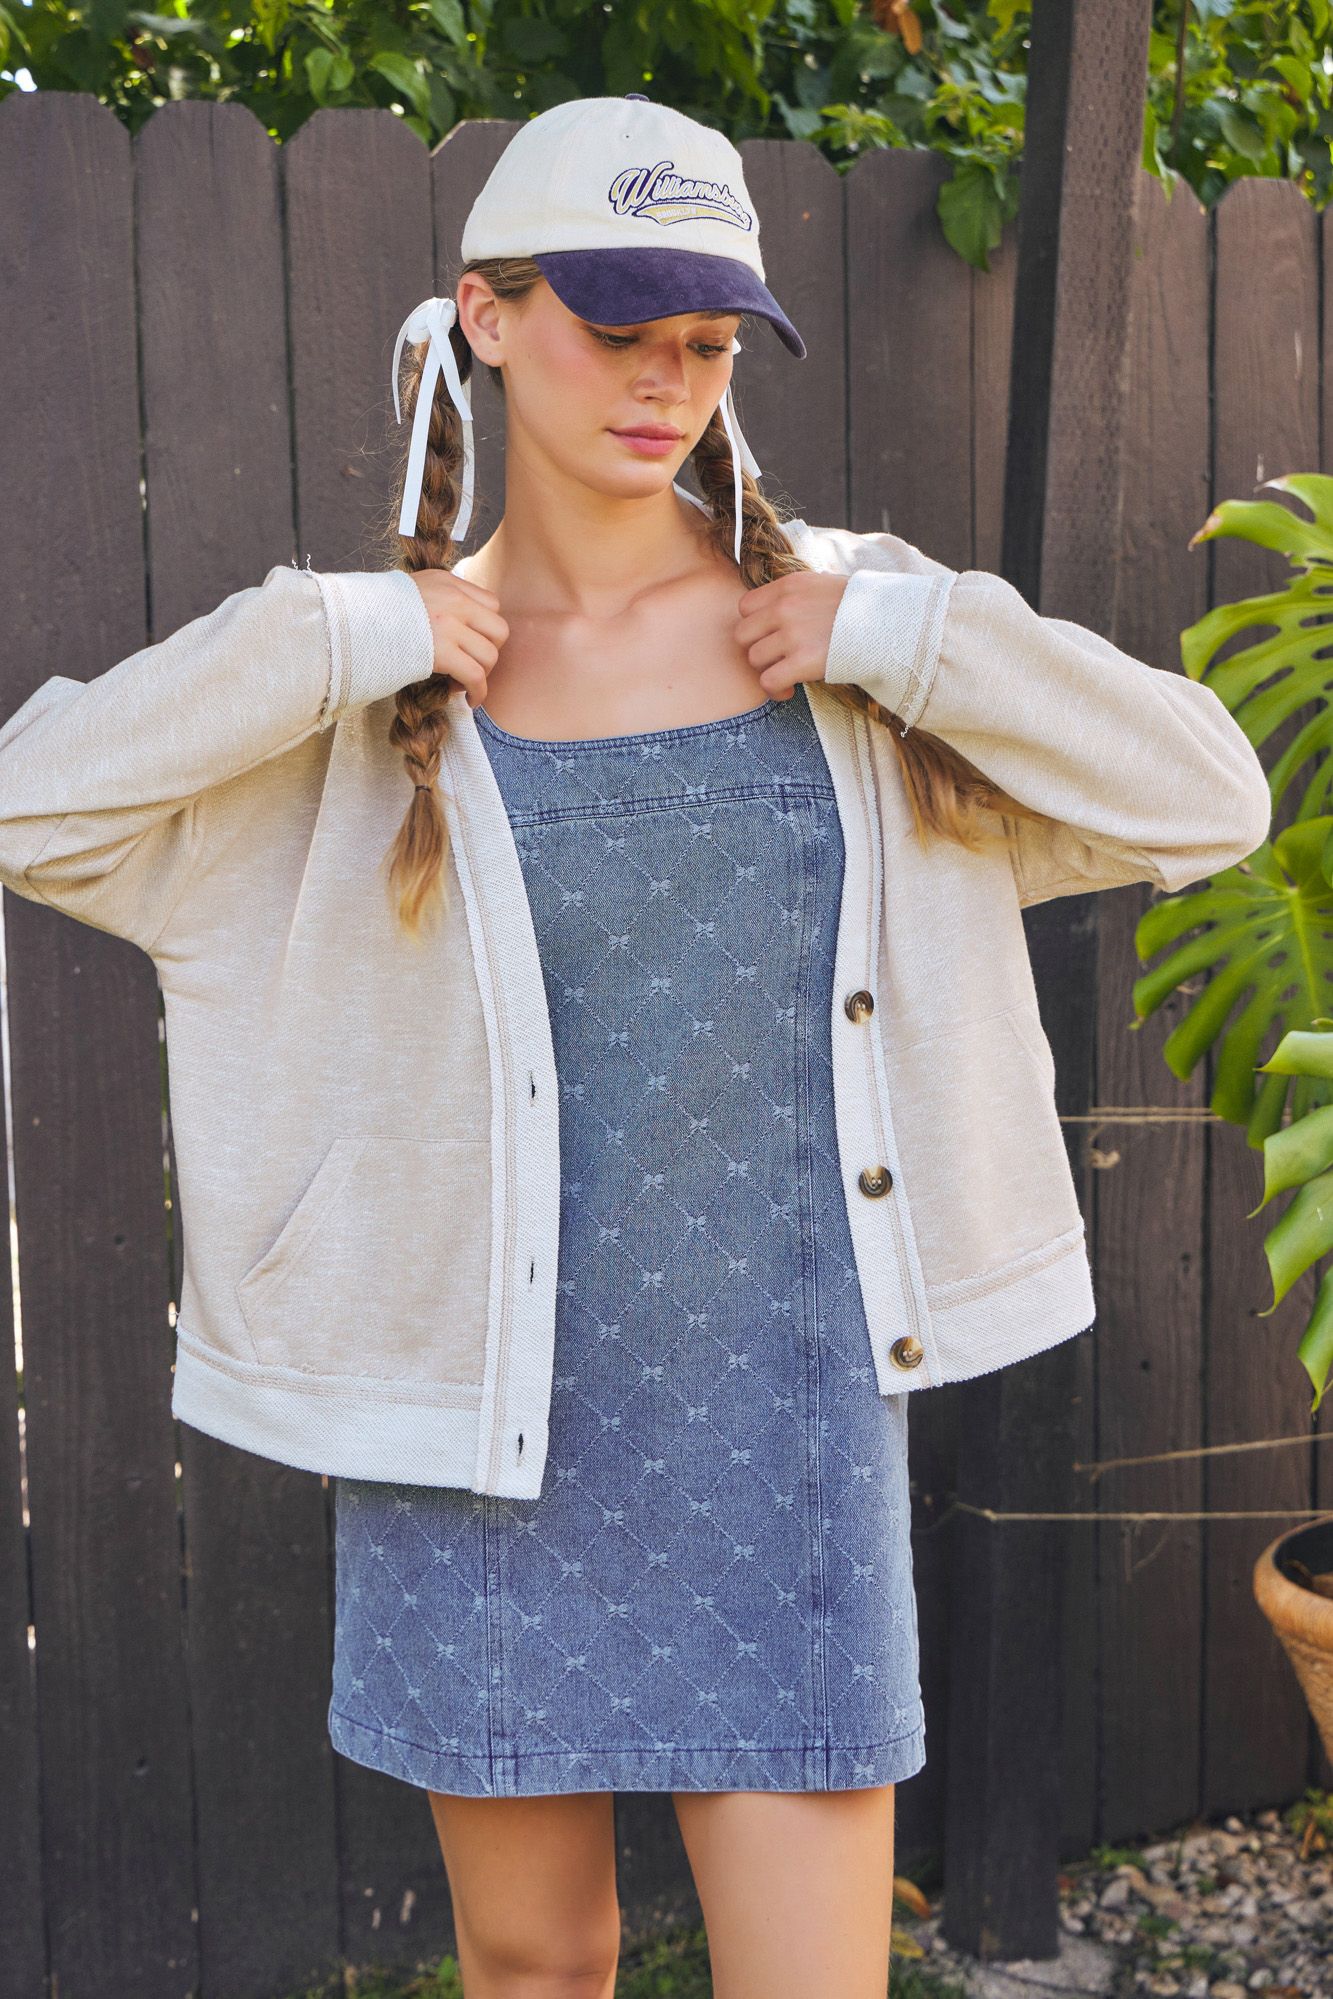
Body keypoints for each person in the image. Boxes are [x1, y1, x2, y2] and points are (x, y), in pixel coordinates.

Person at [0, 92, 1270, 1999]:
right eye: (618, 330)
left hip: (786, 1416)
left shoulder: (835, 629)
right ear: (485, 317)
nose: (664, 382)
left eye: (703, 343)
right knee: (534, 1969)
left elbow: (1206, 800)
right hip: (475, 1416)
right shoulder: (369, 694)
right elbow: (38, 806)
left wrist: (900, 634)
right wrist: (350, 631)